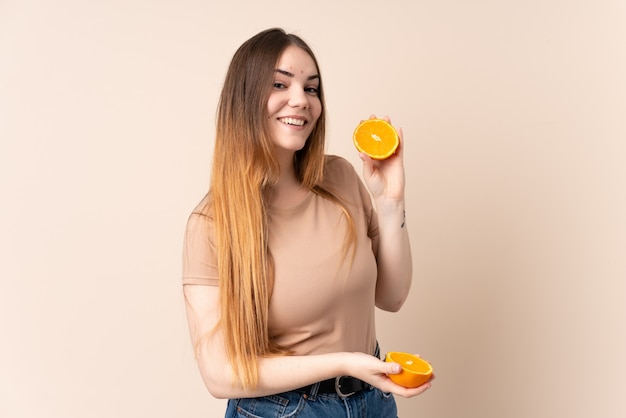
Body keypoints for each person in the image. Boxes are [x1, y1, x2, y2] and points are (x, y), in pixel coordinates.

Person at [181, 27, 433, 417]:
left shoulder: (341, 177)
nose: (300, 100)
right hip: (283, 411)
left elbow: (392, 296)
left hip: (373, 402)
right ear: (244, 97)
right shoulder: (211, 224)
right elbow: (219, 375)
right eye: (280, 84)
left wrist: (390, 200)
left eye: (311, 88)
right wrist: (344, 363)